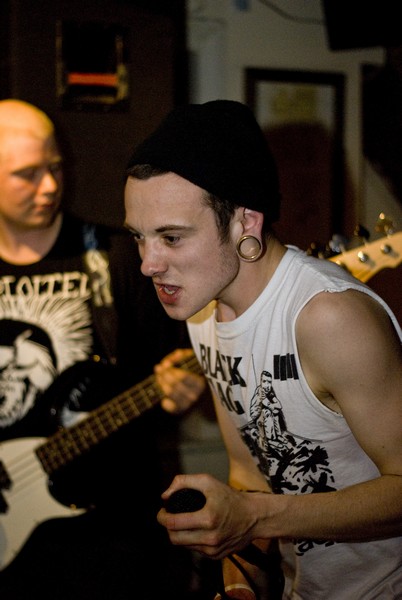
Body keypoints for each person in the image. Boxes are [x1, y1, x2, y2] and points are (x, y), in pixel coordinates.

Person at [124, 100, 402, 600]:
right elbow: (250, 473)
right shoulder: (204, 315)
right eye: (139, 238)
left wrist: (254, 517)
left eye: (171, 237)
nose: (148, 263)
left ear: (245, 223)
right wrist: (242, 585)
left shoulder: (327, 317)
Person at [0, 98, 203, 599]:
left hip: (115, 536)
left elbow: (180, 366)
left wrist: (184, 388)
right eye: (27, 174)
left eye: (55, 167)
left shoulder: (117, 258)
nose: (50, 186)